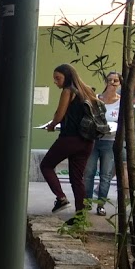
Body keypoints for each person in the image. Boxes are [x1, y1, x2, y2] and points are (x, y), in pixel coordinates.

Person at [40, 64, 99, 221]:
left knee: (46, 165)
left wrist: (51, 125)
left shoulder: (68, 91)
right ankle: (80, 216)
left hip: (70, 138)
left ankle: (61, 198)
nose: (55, 82)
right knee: (77, 178)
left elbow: (60, 115)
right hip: (88, 140)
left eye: (58, 78)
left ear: (67, 77)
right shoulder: (88, 91)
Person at [83, 72, 122, 215]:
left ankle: (101, 205)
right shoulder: (96, 99)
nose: (112, 83)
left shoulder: (122, 102)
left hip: (110, 141)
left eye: (115, 80)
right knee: (88, 172)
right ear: (105, 81)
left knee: (106, 174)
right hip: (93, 140)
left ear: (120, 83)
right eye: (109, 80)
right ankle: (87, 202)